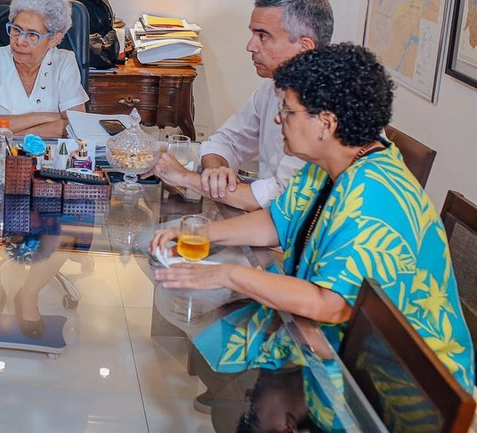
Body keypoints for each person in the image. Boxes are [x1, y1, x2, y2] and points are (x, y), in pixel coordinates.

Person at [149, 44, 475, 393]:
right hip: (330, 337)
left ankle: (243, 396)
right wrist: (202, 234)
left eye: (288, 111)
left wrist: (228, 273)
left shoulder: (375, 198)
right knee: (183, 301)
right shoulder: (334, 162)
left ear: (326, 123)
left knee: (192, 306)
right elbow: (278, 221)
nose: (278, 119)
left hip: (401, 383)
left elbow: (330, 304)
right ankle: (237, 394)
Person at [147, 0, 334, 211]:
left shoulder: (325, 112)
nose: (250, 46)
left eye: (263, 36)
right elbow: (227, 140)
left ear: (304, 48)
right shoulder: (272, 88)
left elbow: (279, 201)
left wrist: (185, 177)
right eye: (253, 34)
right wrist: (215, 170)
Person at [0, 0, 88, 137]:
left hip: (50, 156)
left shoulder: (64, 63)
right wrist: (46, 117)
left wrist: (5, 131)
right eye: (16, 29)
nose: (20, 41)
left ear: (53, 40)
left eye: (32, 35)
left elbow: (76, 125)